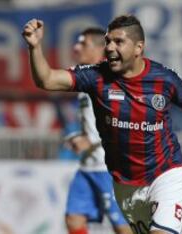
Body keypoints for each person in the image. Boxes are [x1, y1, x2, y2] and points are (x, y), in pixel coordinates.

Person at [22, 15, 182, 234]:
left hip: (166, 174)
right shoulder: (96, 77)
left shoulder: (163, 79)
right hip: (125, 184)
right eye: (108, 41)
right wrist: (35, 47)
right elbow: (47, 79)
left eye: (118, 42)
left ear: (138, 48)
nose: (109, 47)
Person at [64, 28, 132, 234]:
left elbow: (121, 118)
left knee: (122, 226)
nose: (76, 48)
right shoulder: (86, 78)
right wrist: (80, 137)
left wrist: (91, 140)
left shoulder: (111, 80)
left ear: (99, 48)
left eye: (83, 44)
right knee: (73, 219)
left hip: (108, 167)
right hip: (87, 166)